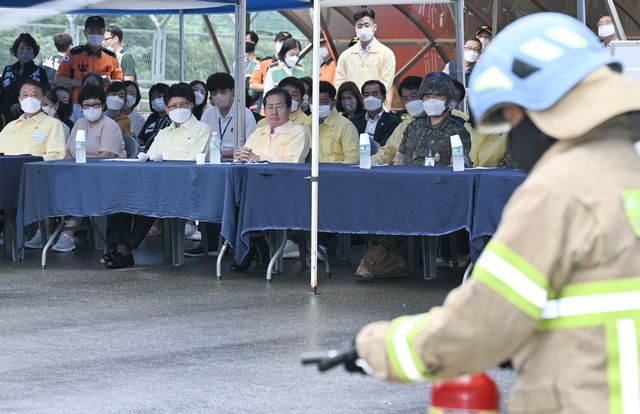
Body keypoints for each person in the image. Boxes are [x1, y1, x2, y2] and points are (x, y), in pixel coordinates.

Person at [353, 12, 640, 414]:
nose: (511, 131)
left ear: (545, 104)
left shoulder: (559, 191)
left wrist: (374, 348)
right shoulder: (627, 174)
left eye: (511, 115)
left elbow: (479, 324)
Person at [355, 73, 471, 280]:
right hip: (408, 189)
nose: (431, 101)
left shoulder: (458, 130)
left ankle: (378, 257)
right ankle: (390, 256)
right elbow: (399, 162)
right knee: (369, 202)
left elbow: (458, 169)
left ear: (448, 100)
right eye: (427, 97)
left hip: (438, 193)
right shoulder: (413, 127)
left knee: (402, 206)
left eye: (437, 97)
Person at [104, 83, 212, 269]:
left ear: (191, 106)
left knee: (151, 196)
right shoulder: (163, 133)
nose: (178, 110)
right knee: (121, 192)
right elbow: (150, 159)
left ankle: (124, 250)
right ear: (167, 109)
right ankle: (120, 247)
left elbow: (192, 161)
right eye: (173, 106)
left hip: (185, 185)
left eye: (183, 105)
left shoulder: (202, 130)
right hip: (157, 183)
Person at [49, 84, 126, 253]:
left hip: (106, 176)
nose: (91, 108)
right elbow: (69, 152)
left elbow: (107, 155)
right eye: (86, 105)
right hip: (80, 172)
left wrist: (81, 173)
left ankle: (68, 234)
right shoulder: (79, 124)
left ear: (103, 106)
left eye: (96, 104)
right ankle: (44, 231)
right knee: (51, 183)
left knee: (82, 186)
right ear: (81, 107)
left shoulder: (109, 125)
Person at [335, 8, 396, 109]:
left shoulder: (386, 54)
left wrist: (369, 100)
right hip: (352, 109)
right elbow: (339, 83)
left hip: (377, 109)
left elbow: (385, 84)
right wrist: (351, 100)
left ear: (374, 27)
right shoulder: (346, 55)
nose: (363, 28)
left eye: (367, 25)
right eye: (360, 25)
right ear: (355, 28)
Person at [55, 16, 123, 103]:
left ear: (104, 33)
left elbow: (119, 80)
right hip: (79, 104)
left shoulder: (111, 56)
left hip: (103, 104)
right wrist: (80, 83)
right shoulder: (74, 54)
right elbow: (58, 79)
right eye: (92, 31)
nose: (96, 34)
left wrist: (112, 82)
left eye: (99, 31)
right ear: (85, 33)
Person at [235, 88, 309, 163]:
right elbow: (245, 156)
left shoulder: (298, 132)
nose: (274, 112)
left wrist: (258, 159)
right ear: (264, 111)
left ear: (289, 110)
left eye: (279, 107)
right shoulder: (258, 132)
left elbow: (292, 161)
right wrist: (241, 157)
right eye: (270, 107)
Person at [0, 79, 64, 160]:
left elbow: (57, 155)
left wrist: (28, 161)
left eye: (34, 95)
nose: (29, 99)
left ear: (43, 100)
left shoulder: (53, 124)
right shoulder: (10, 125)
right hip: (6, 171)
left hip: (33, 171)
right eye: (25, 95)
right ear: (20, 100)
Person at [201, 72, 256, 160]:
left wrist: (220, 153)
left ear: (232, 91)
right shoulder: (208, 114)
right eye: (215, 93)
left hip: (238, 162)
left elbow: (251, 147)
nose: (219, 96)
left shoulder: (244, 114)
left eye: (223, 92)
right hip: (212, 162)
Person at [302, 81, 359, 164]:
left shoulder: (346, 126)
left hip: (336, 174)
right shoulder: (303, 126)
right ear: (309, 101)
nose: (319, 105)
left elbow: (352, 158)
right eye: (315, 101)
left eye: (324, 102)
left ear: (333, 103)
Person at [371, 76, 423, 165]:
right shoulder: (402, 127)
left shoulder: (448, 120)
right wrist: (370, 163)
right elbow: (388, 151)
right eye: (406, 98)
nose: (410, 101)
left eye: (414, 96)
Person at [1, 33, 49, 123]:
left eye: (29, 49)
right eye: (22, 48)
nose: (25, 52)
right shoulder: (8, 70)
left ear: (34, 52)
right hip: (5, 114)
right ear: (16, 51)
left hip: (29, 115)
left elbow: (45, 94)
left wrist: (22, 104)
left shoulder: (40, 72)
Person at [350, 80, 401, 150]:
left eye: (374, 94)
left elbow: (386, 146)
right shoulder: (354, 121)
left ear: (383, 98)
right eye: (367, 95)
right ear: (363, 99)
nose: (370, 98)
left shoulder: (393, 122)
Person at [249, 31, 293, 113]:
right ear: (275, 44)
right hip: (265, 110)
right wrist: (271, 87)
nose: (284, 45)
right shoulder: (264, 62)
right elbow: (252, 84)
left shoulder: (294, 66)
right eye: (281, 42)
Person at [139, 82, 170, 149]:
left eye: (160, 96)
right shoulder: (152, 117)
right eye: (153, 98)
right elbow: (141, 138)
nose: (156, 100)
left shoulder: (172, 118)